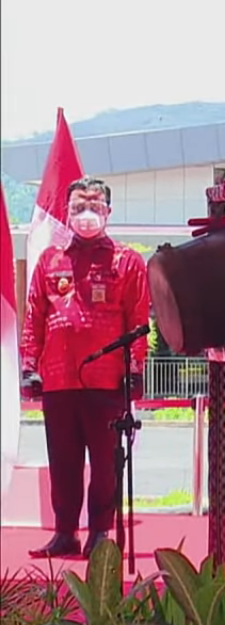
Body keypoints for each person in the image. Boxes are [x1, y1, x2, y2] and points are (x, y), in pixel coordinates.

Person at [20, 178, 150, 559]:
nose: (87, 214)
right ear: (67, 212)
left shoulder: (127, 261)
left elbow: (137, 319)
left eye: (95, 206)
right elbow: (35, 316)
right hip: (58, 380)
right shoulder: (50, 260)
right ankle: (65, 533)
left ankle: (99, 532)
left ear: (108, 211)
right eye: (79, 207)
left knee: (106, 462)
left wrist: (135, 367)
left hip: (107, 380)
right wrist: (29, 365)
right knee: (63, 462)